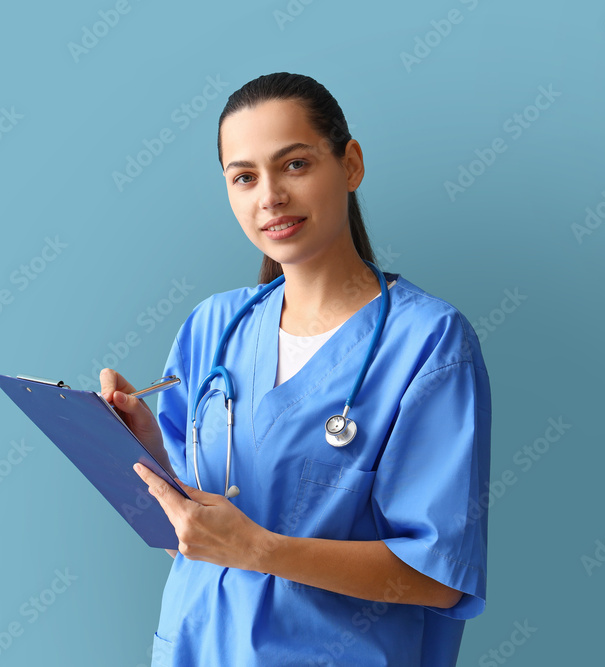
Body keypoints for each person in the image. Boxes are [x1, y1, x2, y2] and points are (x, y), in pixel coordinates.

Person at [99, 72, 492, 666]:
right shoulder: (212, 328)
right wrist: (142, 451)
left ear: (350, 164)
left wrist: (261, 549)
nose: (270, 197)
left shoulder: (428, 343)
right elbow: (195, 541)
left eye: (295, 165)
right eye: (244, 177)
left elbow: (438, 576)